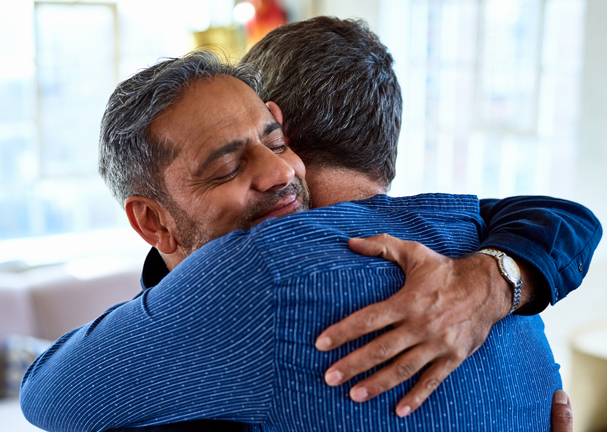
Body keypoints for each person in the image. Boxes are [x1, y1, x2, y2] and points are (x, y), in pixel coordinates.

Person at [19, 46, 599, 431]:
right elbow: (568, 217)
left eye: (276, 142)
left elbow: (45, 394)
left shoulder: (260, 271)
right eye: (227, 167)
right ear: (152, 221)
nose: (278, 172)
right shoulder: (475, 232)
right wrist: (497, 275)